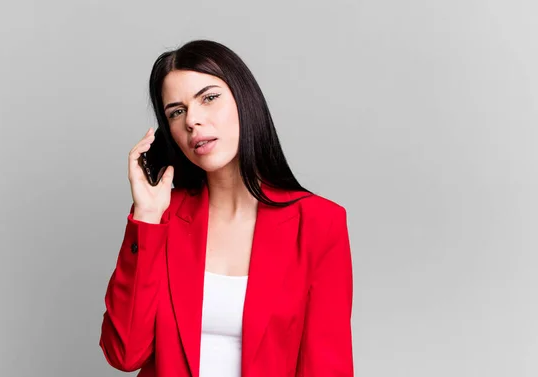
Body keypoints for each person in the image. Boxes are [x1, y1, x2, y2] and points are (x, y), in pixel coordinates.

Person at [99, 39, 353, 377]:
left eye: (209, 98)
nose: (193, 120)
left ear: (244, 100)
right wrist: (146, 218)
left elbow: (327, 366)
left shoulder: (319, 223)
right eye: (177, 111)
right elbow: (124, 354)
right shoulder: (163, 219)